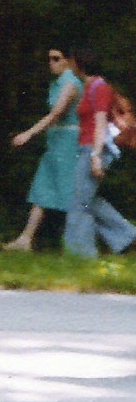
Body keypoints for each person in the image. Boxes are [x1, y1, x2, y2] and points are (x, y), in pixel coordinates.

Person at [4, 46, 84, 250]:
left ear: (67, 60)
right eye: (49, 59)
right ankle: (25, 239)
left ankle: (79, 244)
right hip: (55, 141)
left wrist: (29, 133)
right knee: (43, 187)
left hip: (68, 142)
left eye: (56, 59)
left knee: (71, 192)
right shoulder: (58, 83)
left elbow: (56, 113)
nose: (52, 63)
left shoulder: (71, 83)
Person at [63, 49, 136, 259]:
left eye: (71, 61)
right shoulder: (90, 86)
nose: (69, 65)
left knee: (80, 203)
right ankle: (128, 236)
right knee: (87, 199)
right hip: (88, 148)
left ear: (79, 63)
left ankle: (82, 255)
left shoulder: (99, 87)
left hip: (95, 150)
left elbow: (101, 124)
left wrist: (95, 157)